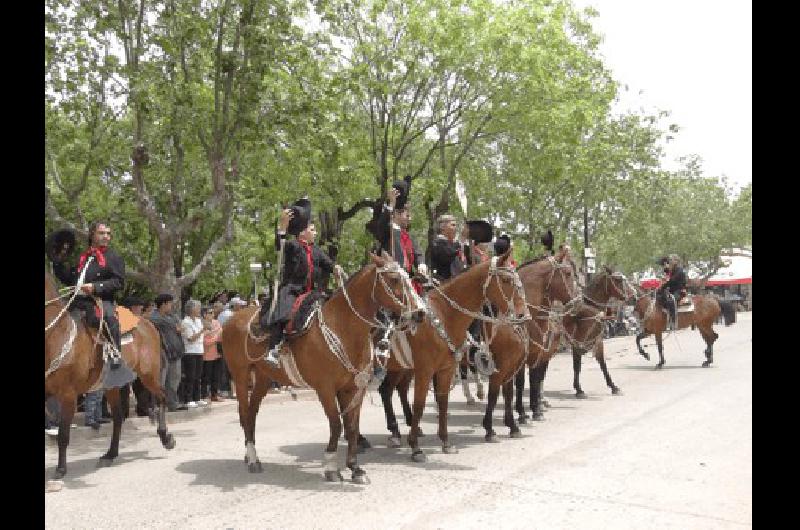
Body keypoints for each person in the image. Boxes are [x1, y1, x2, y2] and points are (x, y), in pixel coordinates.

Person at [52, 221, 135, 387]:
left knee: (110, 321)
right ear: (92, 235)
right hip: (77, 301)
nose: (106, 237)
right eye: (102, 233)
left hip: (100, 300)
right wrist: (58, 262)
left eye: (108, 234)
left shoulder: (113, 257)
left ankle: (115, 361)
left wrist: (95, 287)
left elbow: (118, 282)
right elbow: (69, 278)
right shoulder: (84, 257)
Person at [262, 199, 334, 367]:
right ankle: (274, 349)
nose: (315, 233)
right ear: (302, 232)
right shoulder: (292, 246)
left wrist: (336, 268)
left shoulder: (316, 251)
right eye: (313, 230)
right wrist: (282, 227)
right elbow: (279, 246)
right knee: (284, 313)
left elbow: (328, 264)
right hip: (292, 290)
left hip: (312, 292)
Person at [148, 294, 186, 411]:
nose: (171, 306)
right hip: (162, 353)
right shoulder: (154, 317)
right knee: (161, 380)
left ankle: (172, 403)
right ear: (164, 304)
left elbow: (180, 327)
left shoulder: (172, 316)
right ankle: (157, 405)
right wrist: (175, 326)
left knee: (175, 379)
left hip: (175, 352)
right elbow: (175, 326)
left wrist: (176, 326)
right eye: (169, 303)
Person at [181, 299, 207, 408]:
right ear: (191, 309)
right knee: (190, 376)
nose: (199, 310)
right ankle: (189, 398)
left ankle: (197, 397)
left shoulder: (198, 320)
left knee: (198, 376)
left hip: (199, 350)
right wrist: (202, 330)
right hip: (190, 351)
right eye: (197, 308)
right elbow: (191, 338)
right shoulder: (185, 322)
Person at [430, 214, 470, 281]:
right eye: (453, 225)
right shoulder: (437, 243)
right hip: (442, 285)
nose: (455, 228)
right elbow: (449, 255)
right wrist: (462, 238)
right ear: (442, 227)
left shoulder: (455, 244)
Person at [658, 254, 688, 330]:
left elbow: (672, 281)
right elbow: (666, 270)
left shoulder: (679, 270)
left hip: (679, 291)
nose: (670, 261)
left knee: (671, 301)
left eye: (671, 260)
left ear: (676, 261)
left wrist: (662, 287)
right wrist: (664, 264)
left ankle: (673, 321)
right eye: (670, 260)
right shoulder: (673, 270)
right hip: (672, 290)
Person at [200, 306, 224, 402]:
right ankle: (204, 395)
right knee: (206, 376)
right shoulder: (202, 324)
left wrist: (212, 335)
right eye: (210, 313)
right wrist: (215, 337)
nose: (212, 315)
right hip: (207, 355)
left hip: (218, 353)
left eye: (213, 313)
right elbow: (205, 341)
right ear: (204, 314)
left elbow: (221, 333)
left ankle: (214, 394)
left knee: (216, 375)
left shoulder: (216, 322)